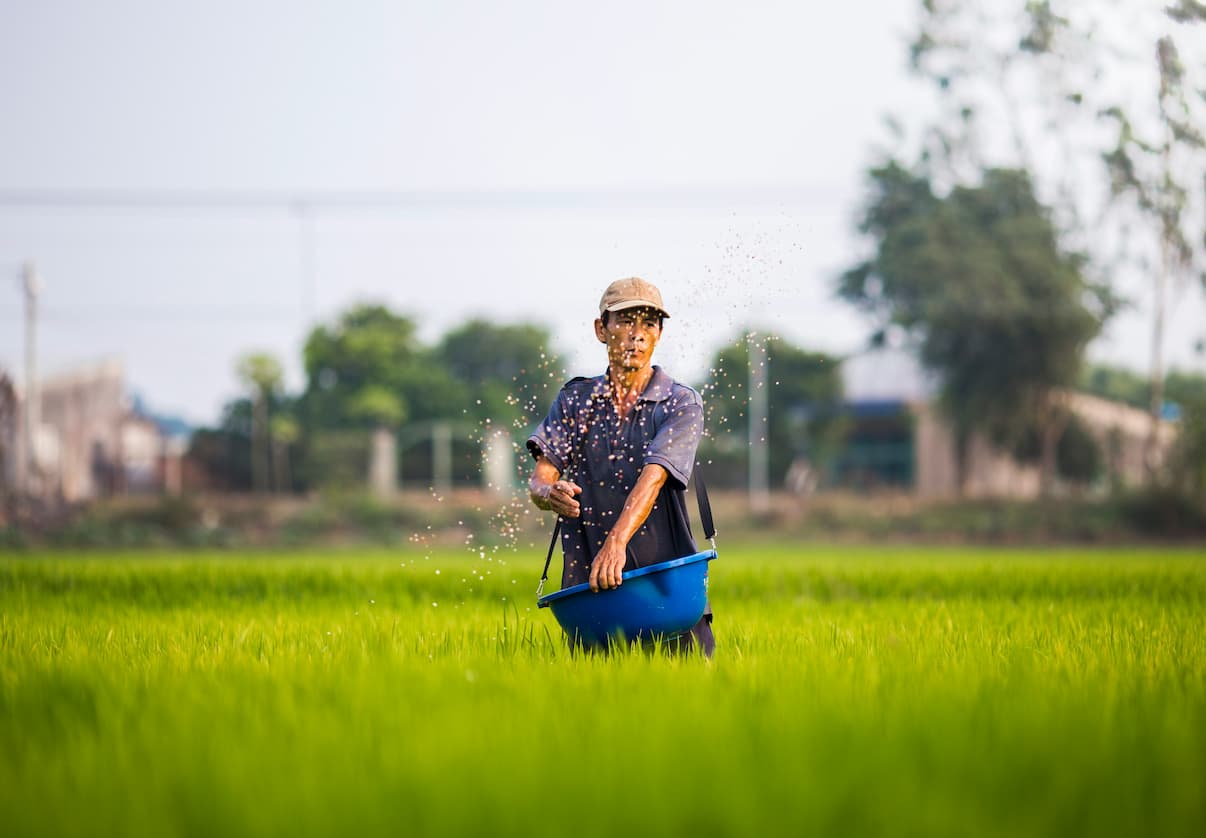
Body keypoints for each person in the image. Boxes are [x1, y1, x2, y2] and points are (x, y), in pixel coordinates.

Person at [526, 277, 714, 655]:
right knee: (597, 692)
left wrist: (616, 542)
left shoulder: (679, 403)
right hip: (592, 594)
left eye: (649, 324)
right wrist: (550, 493)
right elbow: (540, 479)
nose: (637, 335)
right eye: (626, 322)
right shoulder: (575, 401)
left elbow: (653, 477)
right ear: (601, 329)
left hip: (668, 590)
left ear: (659, 334)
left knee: (692, 688)